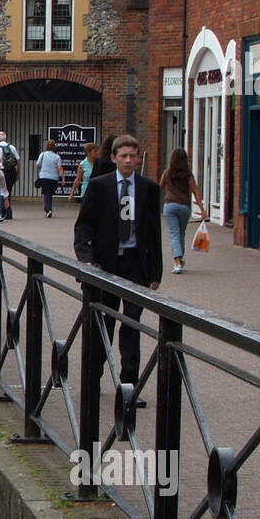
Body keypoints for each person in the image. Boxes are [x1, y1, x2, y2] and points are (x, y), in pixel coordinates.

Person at [73, 134, 161, 407]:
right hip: (106, 263)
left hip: (135, 263)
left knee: (132, 324)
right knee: (104, 323)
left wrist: (155, 272)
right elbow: (83, 225)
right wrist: (86, 258)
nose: (128, 160)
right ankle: (94, 377)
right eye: (122, 155)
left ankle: (129, 386)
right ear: (113, 158)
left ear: (138, 158)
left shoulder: (148, 188)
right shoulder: (100, 186)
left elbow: (153, 231)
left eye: (133, 156)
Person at [158, 146, 204, 274]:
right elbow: (195, 190)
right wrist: (201, 208)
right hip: (184, 207)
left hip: (170, 206)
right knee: (181, 233)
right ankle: (179, 260)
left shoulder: (167, 172)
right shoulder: (188, 173)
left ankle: (177, 262)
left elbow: (159, 189)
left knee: (174, 234)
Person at [0, 131, 20, 219]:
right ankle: (9, 213)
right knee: (8, 191)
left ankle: (3, 212)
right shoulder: (12, 147)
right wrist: (18, 173)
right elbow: (18, 160)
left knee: (1, 192)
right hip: (12, 171)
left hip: (3, 171)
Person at [36, 141, 63, 216]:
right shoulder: (57, 156)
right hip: (54, 178)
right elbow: (60, 168)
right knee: (49, 194)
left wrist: (42, 168)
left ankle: (49, 210)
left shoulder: (43, 154)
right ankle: (47, 210)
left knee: (47, 194)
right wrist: (63, 178)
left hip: (44, 177)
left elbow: (37, 165)